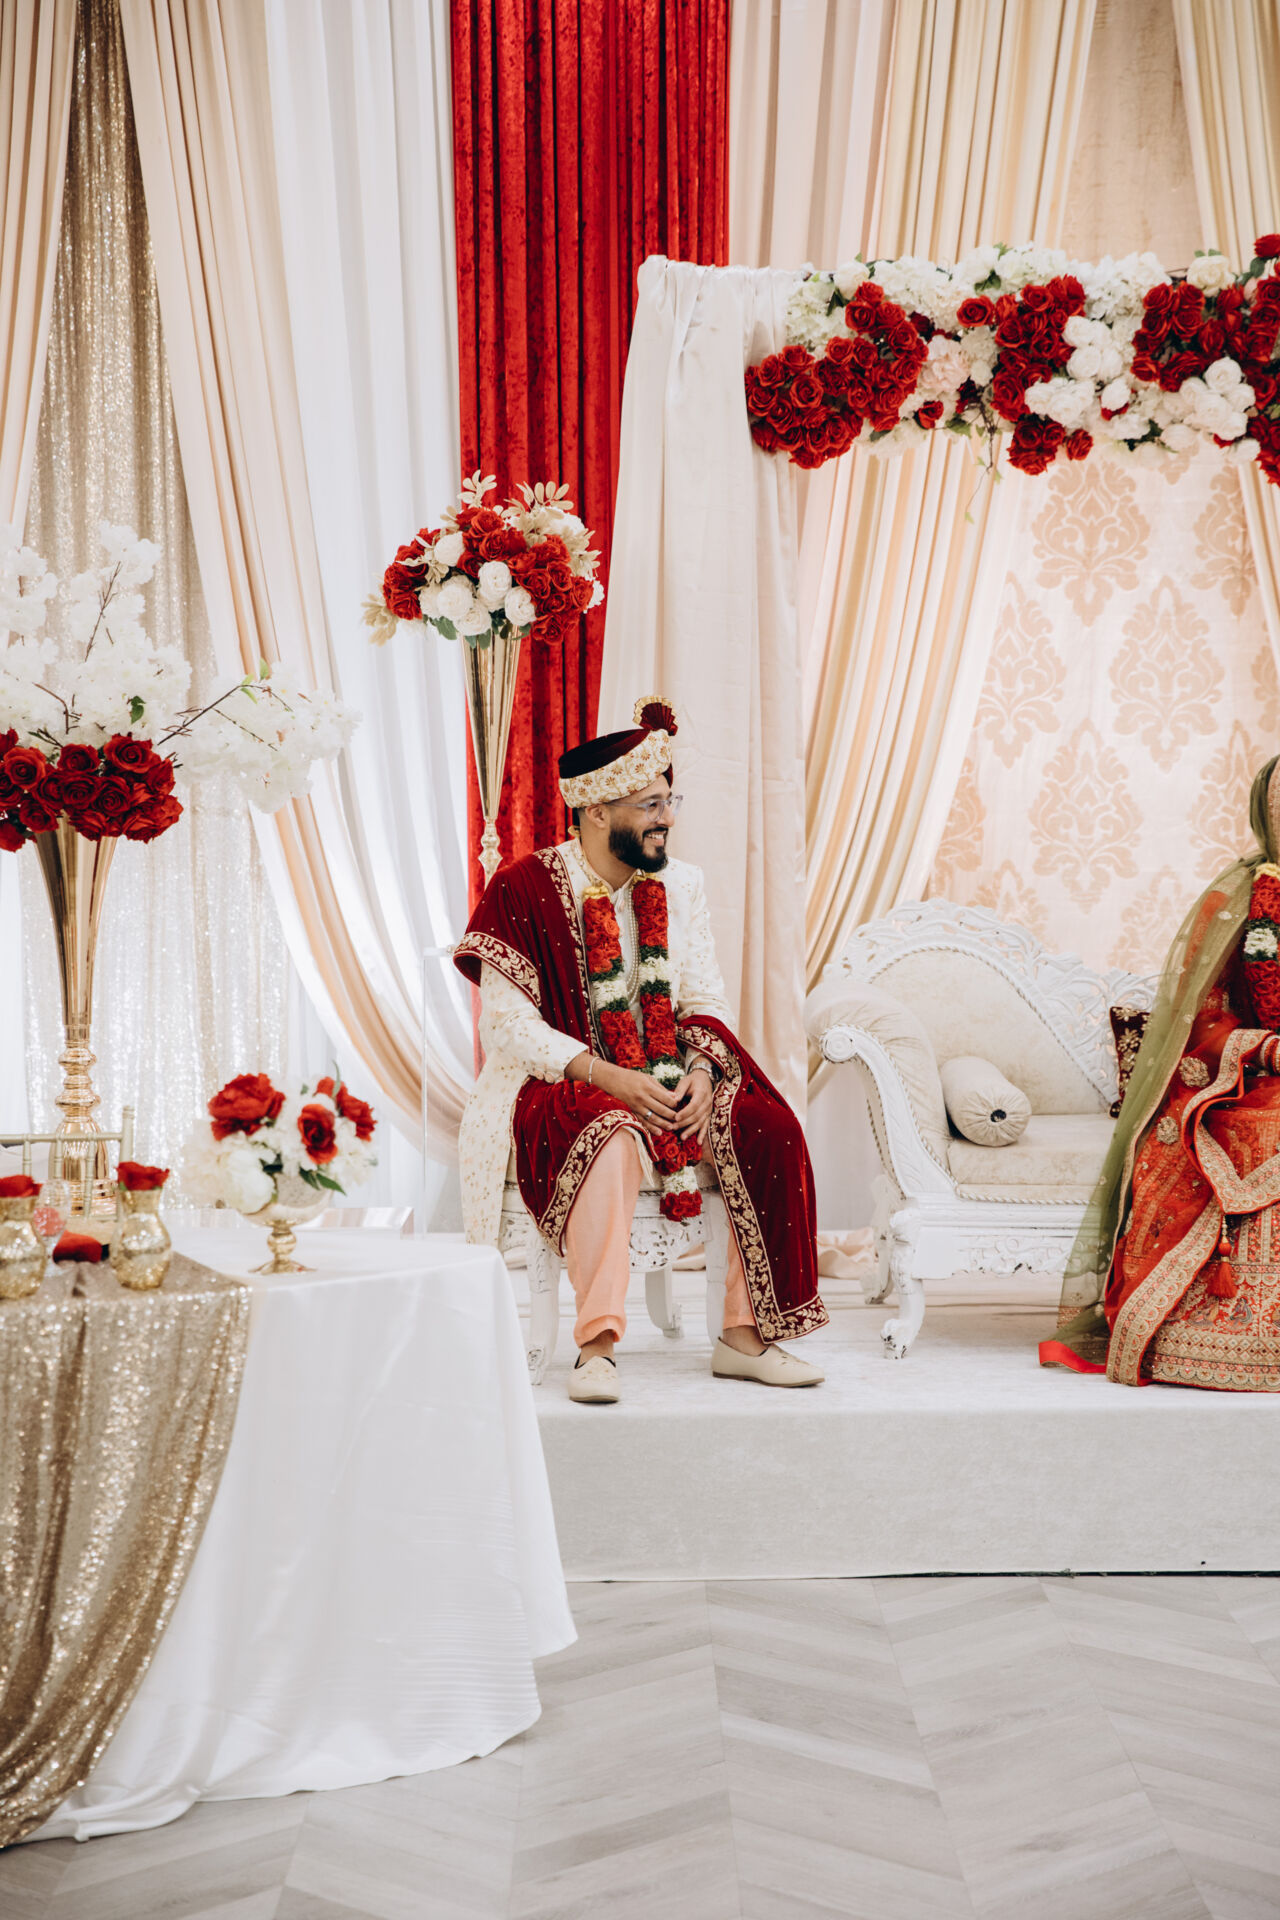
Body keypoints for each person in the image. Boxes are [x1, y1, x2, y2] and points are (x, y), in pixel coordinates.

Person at [454, 698, 827, 1402]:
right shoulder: (523, 887)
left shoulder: (681, 885)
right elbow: (506, 1027)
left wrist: (702, 1072)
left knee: (767, 1125)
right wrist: (609, 1076)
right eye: (651, 805)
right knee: (611, 1132)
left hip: (666, 1069)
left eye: (668, 801)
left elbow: (704, 996)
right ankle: (596, 1348)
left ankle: (744, 1338)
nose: (667, 819)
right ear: (597, 812)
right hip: (561, 1077)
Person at [1043, 755, 1280, 1391]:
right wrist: (1264, 1051)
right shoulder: (1233, 902)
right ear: (1266, 814)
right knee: (1261, 1126)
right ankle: (1217, 1329)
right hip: (1250, 1077)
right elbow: (1200, 1019)